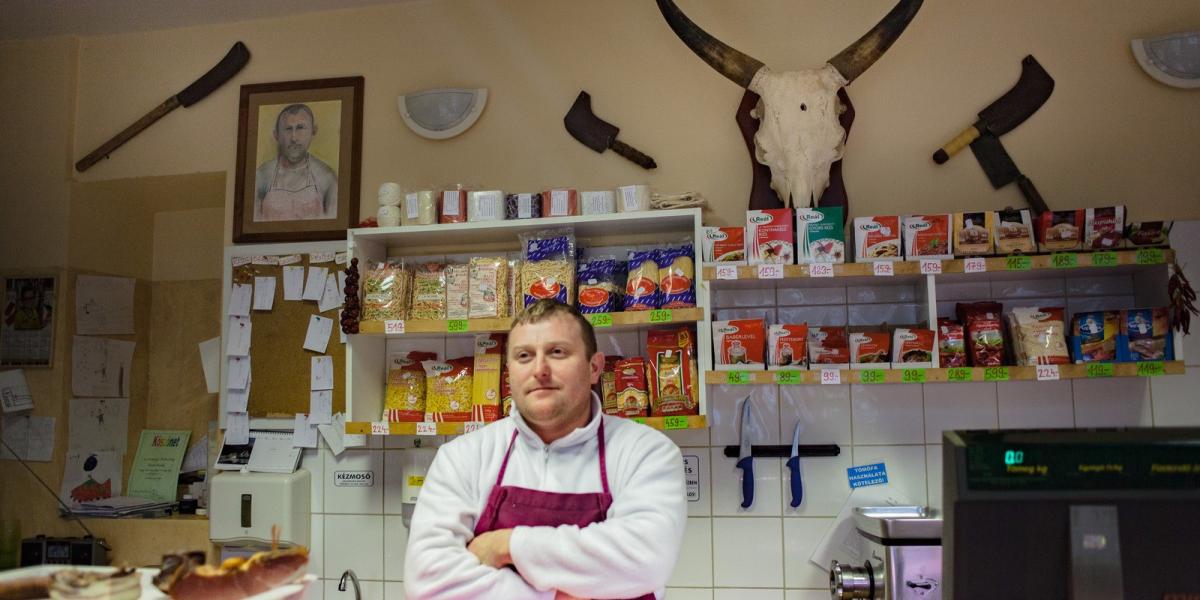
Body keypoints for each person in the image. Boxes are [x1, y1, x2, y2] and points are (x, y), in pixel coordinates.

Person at [404, 300, 686, 599]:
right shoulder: (464, 456)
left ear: (594, 367)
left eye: (557, 352)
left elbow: (642, 560)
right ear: (509, 371)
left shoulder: (646, 452)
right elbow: (428, 580)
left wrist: (507, 545)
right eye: (524, 356)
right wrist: (554, 596)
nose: (540, 370)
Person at [254, 103, 338, 221]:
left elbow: (335, 227)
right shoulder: (262, 176)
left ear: (313, 131)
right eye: (288, 129)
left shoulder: (327, 178)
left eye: (300, 128)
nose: (294, 138)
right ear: (276, 135)